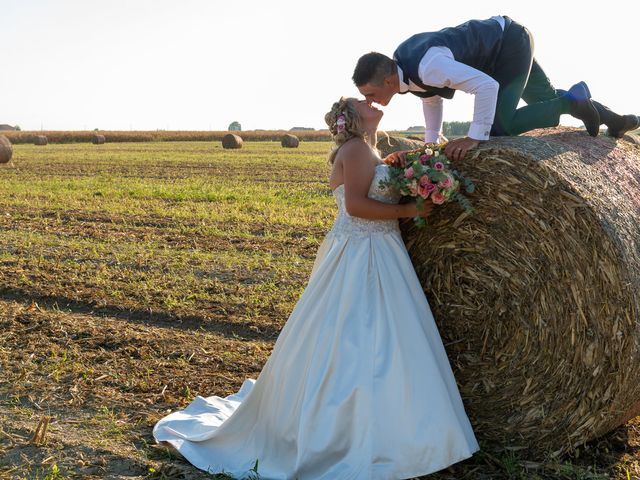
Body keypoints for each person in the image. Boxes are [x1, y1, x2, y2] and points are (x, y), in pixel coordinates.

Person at [153, 97, 479, 479]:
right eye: (364, 101)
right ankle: (362, 433)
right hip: (364, 249)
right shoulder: (357, 149)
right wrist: (411, 211)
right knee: (364, 335)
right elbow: (356, 207)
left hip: (378, 248)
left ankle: (390, 429)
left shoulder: (369, 148)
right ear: (354, 117)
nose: (373, 101)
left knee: (380, 337)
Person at [353, 15, 640, 161]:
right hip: (505, 41)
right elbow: (431, 99)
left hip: (507, 46)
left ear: (388, 81)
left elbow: (486, 85)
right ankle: (616, 121)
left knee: (500, 126)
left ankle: (574, 102)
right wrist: (431, 142)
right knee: (545, 100)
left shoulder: (427, 66)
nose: (370, 100)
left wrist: (475, 137)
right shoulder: (404, 68)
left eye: (370, 94)